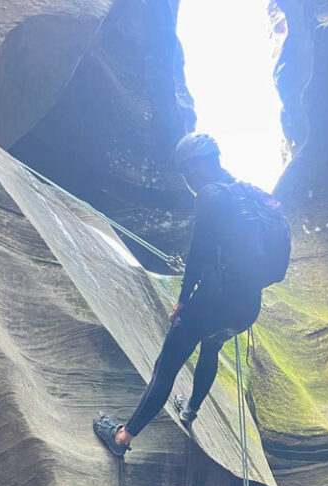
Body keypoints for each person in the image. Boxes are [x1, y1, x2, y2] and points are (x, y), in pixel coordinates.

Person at [93, 131, 265, 456]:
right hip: (247, 305)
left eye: (188, 170)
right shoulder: (244, 194)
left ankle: (122, 438)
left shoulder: (211, 194)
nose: (187, 178)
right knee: (212, 346)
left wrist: (184, 298)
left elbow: (199, 251)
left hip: (214, 300)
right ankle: (190, 411)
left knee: (167, 365)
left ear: (199, 166)